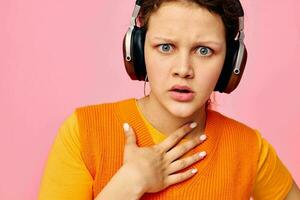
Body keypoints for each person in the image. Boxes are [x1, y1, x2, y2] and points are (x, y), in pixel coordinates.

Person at [38, 0, 300, 199]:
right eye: (166, 47)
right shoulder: (84, 131)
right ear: (138, 51)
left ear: (231, 63)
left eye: (204, 50)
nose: (183, 69)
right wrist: (128, 183)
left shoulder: (249, 148)